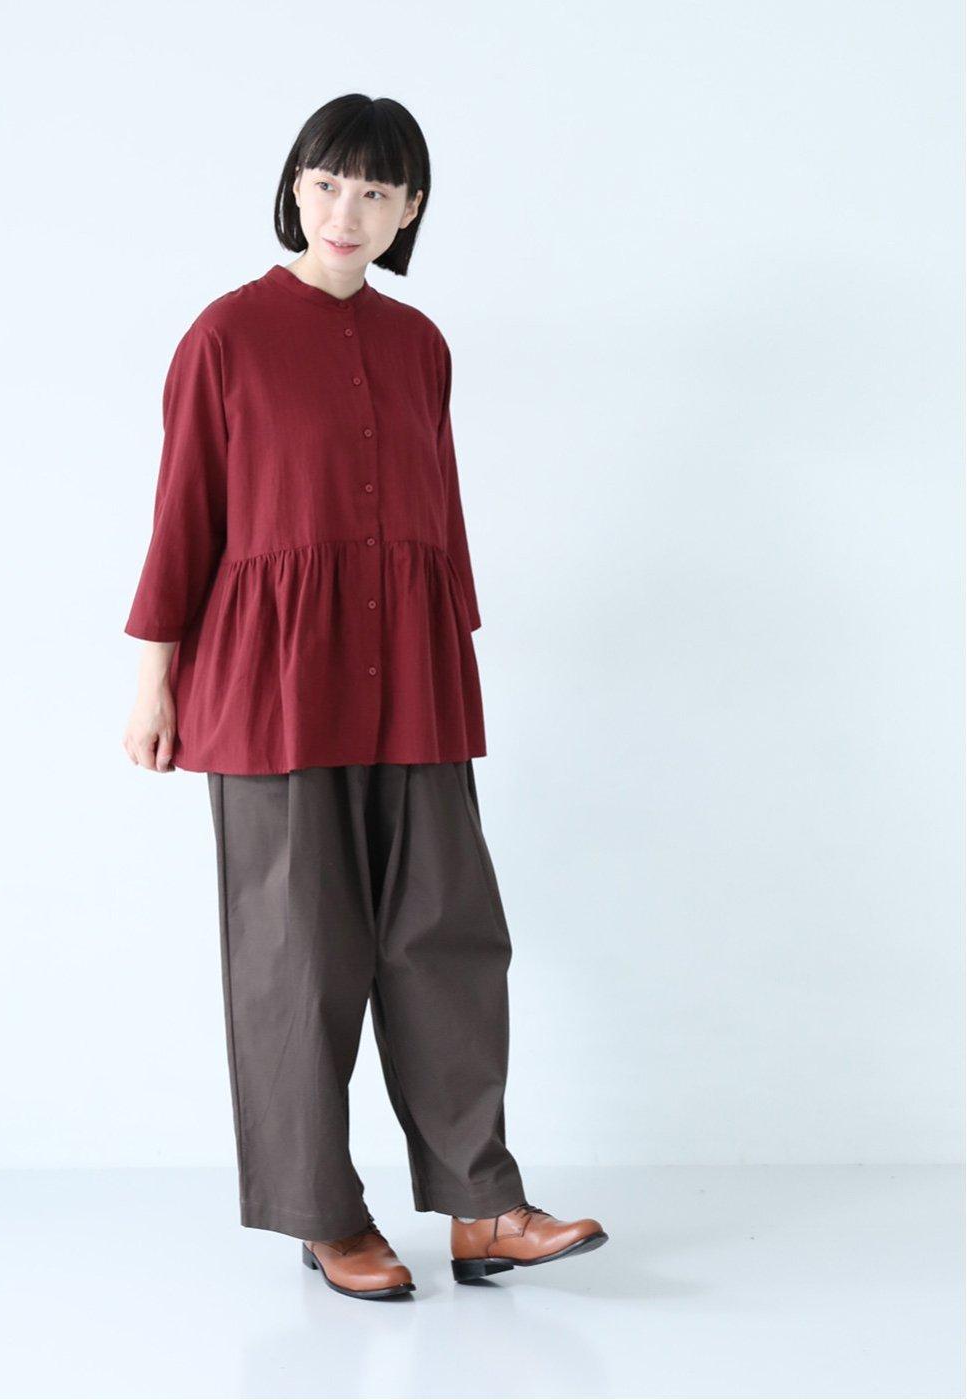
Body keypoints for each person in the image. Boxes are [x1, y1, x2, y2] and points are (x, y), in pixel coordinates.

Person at [121, 93, 608, 1300]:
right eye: (330, 183)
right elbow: (183, 518)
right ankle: (322, 1213)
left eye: (378, 191)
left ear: (410, 210)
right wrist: (155, 681)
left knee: (450, 934)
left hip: (414, 678)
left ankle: (483, 1206)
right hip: (273, 687)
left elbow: (438, 514)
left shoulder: (421, 343)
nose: (349, 210)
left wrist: (453, 643)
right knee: (298, 956)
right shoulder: (225, 337)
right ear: (296, 187)